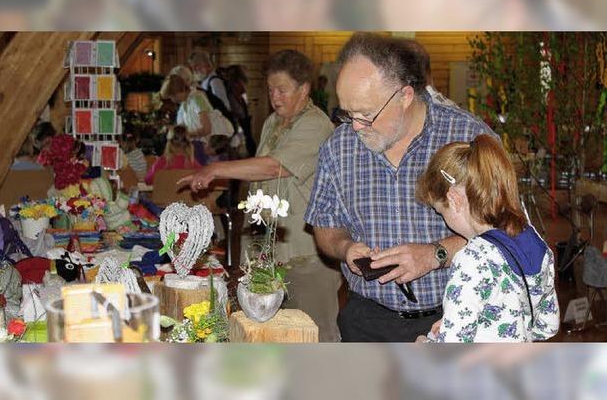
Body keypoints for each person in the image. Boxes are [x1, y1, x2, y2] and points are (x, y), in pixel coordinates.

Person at [304, 33, 495, 342]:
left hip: (454, 320)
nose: (354, 127)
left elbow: (506, 230)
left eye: (366, 114)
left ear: (406, 96)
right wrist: (345, 248)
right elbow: (325, 226)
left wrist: (436, 254)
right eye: (347, 113)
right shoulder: (338, 148)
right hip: (366, 320)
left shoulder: (467, 137)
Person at [178, 49, 341, 342]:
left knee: (316, 335)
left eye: (282, 89)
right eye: (270, 89)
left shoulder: (315, 124)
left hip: (305, 255)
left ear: (304, 89)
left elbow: (273, 168)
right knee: (269, 336)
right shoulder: (272, 122)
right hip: (270, 254)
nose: (274, 96)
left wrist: (215, 169)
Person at [414, 134, 559, 342]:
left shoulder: (472, 259)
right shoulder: (533, 239)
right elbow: (547, 326)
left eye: (440, 212)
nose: (444, 220)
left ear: (454, 200)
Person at [225, 64, 256, 157]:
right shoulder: (239, 83)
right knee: (247, 135)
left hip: (239, 112)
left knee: (246, 135)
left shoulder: (234, 84)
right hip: (242, 112)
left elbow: (242, 98)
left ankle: (250, 154)